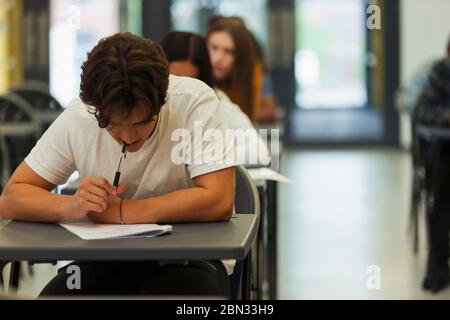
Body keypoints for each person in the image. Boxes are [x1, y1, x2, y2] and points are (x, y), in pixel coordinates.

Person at [0, 32, 236, 296]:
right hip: (100, 261)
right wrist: (74, 205)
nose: (127, 136)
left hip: (187, 259)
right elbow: (11, 197)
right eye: (112, 125)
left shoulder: (195, 102)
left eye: (139, 123)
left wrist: (122, 211)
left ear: (162, 100)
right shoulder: (81, 115)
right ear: (96, 109)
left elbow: (219, 199)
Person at [160, 31, 270, 166]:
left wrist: (203, 157)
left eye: (190, 83)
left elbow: (258, 152)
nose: (179, 92)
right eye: (173, 81)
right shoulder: (144, 103)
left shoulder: (213, 99)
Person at [414, 34, 450, 293]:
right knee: (440, 202)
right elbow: (422, 111)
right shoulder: (439, 74)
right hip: (444, 154)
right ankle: (438, 269)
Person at [206, 18, 262, 122]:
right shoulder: (194, 78)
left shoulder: (252, 74)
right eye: (214, 47)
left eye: (229, 52)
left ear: (241, 57)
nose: (218, 58)